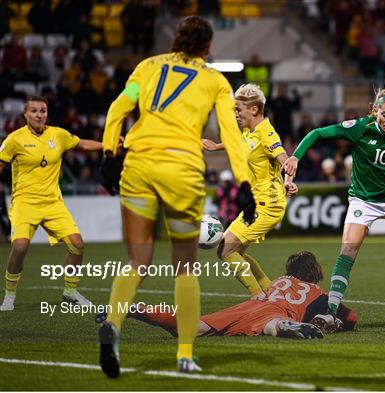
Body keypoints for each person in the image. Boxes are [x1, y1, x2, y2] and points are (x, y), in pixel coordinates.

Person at [98, 16, 255, 377]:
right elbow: (230, 134)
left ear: (176, 40)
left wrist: (109, 154)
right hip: (181, 169)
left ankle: (114, 324)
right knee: (184, 266)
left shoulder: (147, 67)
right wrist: (244, 183)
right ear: (207, 47)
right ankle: (185, 355)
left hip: (137, 165)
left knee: (137, 260)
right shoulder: (214, 80)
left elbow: (120, 107)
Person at [283, 79, 385, 319]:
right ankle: (330, 312)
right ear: (375, 110)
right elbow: (317, 133)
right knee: (348, 251)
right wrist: (296, 156)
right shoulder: (359, 127)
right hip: (364, 202)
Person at [0, 96, 106, 311]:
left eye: (43, 111)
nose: (39, 115)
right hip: (25, 202)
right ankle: (9, 295)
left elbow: (82, 144)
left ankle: (70, 292)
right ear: (26, 115)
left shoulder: (57, 134)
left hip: (52, 203)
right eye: (34, 111)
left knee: (77, 244)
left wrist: (108, 145)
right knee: (19, 246)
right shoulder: (14, 139)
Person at [202, 83, 297, 298]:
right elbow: (243, 142)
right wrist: (216, 146)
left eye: (238, 109)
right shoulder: (250, 130)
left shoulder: (267, 133)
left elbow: (284, 159)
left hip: (269, 205)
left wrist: (289, 179)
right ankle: (271, 293)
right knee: (235, 252)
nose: (235, 114)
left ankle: (258, 298)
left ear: (254, 109)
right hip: (257, 204)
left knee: (225, 250)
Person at [124, 252, 357, 338]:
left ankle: (137, 310)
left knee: (192, 327)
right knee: (271, 325)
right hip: (277, 312)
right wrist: (337, 320)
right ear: (315, 272)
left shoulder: (279, 281)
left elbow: (255, 270)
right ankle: (286, 326)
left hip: (248, 306)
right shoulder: (319, 294)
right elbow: (352, 318)